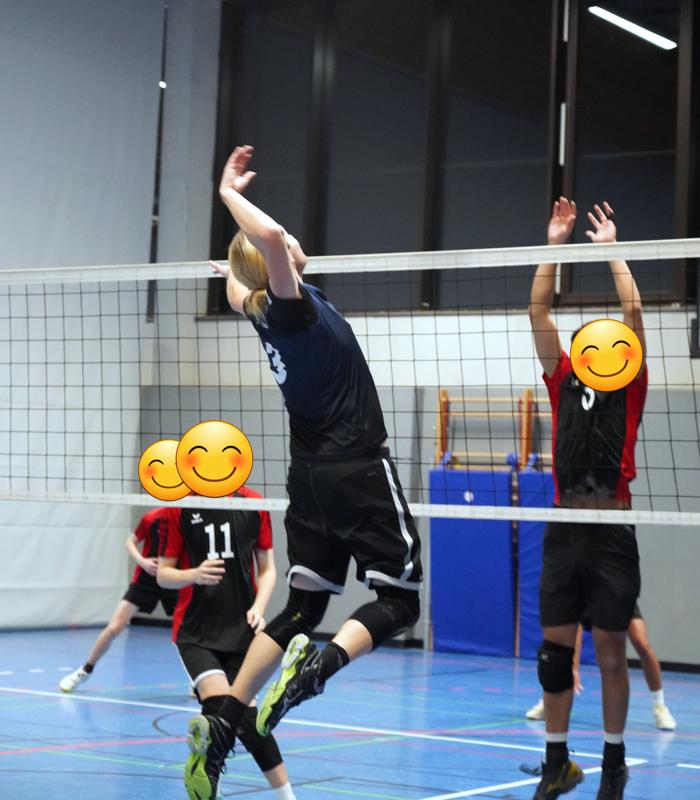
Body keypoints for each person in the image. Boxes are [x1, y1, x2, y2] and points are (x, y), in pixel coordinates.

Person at [188, 144, 422, 800]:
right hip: (358, 467)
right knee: (401, 601)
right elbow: (268, 240)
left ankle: (223, 728)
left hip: (309, 477)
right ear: (277, 264)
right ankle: (316, 671)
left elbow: (242, 281)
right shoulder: (294, 311)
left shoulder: (260, 307)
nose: (290, 238)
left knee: (302, 606)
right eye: (283, 241)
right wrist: (228, 194)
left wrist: (236, 267)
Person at [528, 198, 647, 799]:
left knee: (609, 651)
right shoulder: (560, 381)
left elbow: (633, 310)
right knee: (554, 654)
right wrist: (554, 246)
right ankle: (557, 762)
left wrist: (611, 251)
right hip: (563, 529)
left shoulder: (633, 383)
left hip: (611, 531)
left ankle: (614, 763)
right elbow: (537, 309)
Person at [157, 486, 296, 800]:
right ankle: (210, 788)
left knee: (249, 721)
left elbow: (268, 569)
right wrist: (193, 574)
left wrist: (259, 607)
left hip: (241, 633)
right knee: (220, 703)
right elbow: (163, 575)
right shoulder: (179, 506)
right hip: (196, 633)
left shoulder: (254, 503)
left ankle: (287, 796)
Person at [59, 507, 178, 693]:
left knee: (188, 631)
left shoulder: (185, 517)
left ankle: (196, 680)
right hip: (146, 579)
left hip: (174, 578)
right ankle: (84, 671)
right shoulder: (152, 518)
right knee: (114, 627)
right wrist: (142, 561)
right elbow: (130, 541)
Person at [525, 606, 677, 730]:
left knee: (642, 644)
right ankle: (548, 702)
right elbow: (575, 632)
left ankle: (660, 705)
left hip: (611, 590)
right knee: (563, 640)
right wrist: (574, 670)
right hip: (583, 592)